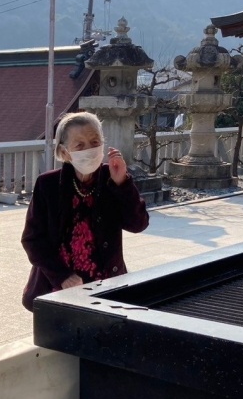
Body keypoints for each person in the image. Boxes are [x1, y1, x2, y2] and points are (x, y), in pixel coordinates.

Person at [21, 112, 149, 311]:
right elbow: (32, 240)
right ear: (64, 152)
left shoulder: (112, 177)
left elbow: (138, 224)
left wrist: (122, 184)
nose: (89, 149)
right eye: (80, 145)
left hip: (106, 287)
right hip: (59, 287)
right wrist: (62, 276)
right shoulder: (48, 185)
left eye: (95, 142)